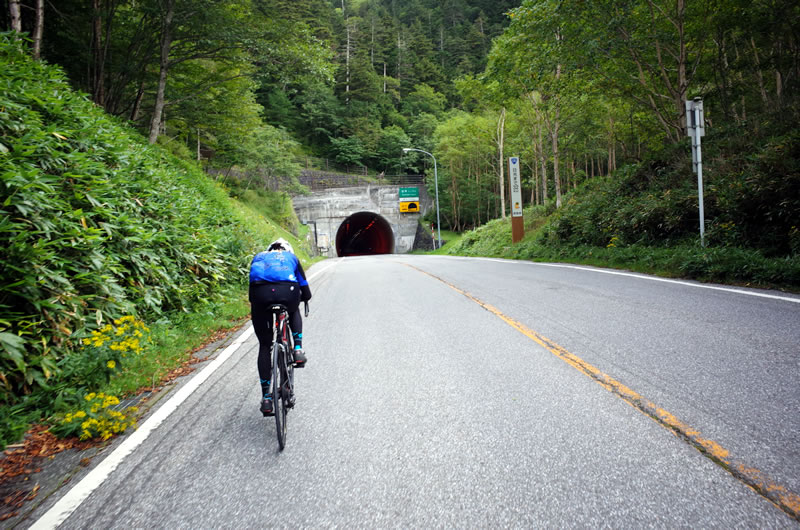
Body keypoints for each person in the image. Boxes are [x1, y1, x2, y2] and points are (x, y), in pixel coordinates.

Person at [249, 238, 312, 416]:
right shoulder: (291, 258)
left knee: (264, 345)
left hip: (260, 295)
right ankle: (298, 349)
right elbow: (306, 291)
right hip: (287, 292)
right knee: (293, 311)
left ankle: (267, 398)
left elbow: (251, 293)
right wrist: (302, 298)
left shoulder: (259, 257)